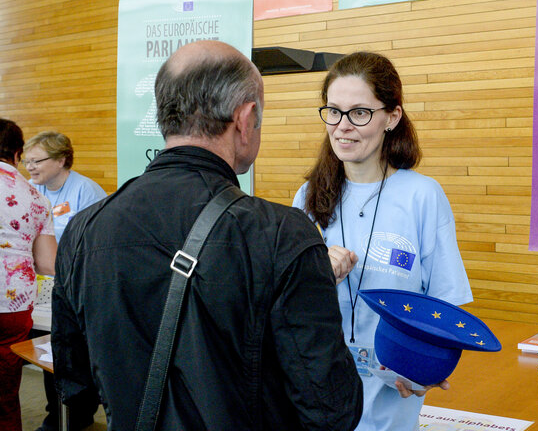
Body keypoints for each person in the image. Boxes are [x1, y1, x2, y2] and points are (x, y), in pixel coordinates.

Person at [51, 40, 363, 430]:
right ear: (246, 119)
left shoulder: (84, 229)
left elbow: (74, 385)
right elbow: (332, 409)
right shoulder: (281, 234)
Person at [292, 52, 473, 431]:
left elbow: (445, 302)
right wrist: (317, 273)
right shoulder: (307, 196)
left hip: (395, 389)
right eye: (334, 111)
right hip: (320, 391)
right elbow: (287, 305)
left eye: (359, 112)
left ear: (392, 117)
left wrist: (426, 366)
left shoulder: (422, 195)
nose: (342, 126)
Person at [23, 131, 106, 431]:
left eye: (36, 161)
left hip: (76, 283)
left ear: (61, 159)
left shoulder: (87, 191)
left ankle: (78, 413)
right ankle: (55, 411)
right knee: (48, 348)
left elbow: (96, 246)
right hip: (41, 284)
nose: (30, 167)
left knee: (69, 349)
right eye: (26, 161)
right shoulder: (30, 190)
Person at [0, 118, 56, 431]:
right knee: (6, 392)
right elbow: (48, 263)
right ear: (18, 153)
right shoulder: (37, 199)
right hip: (13, 306)